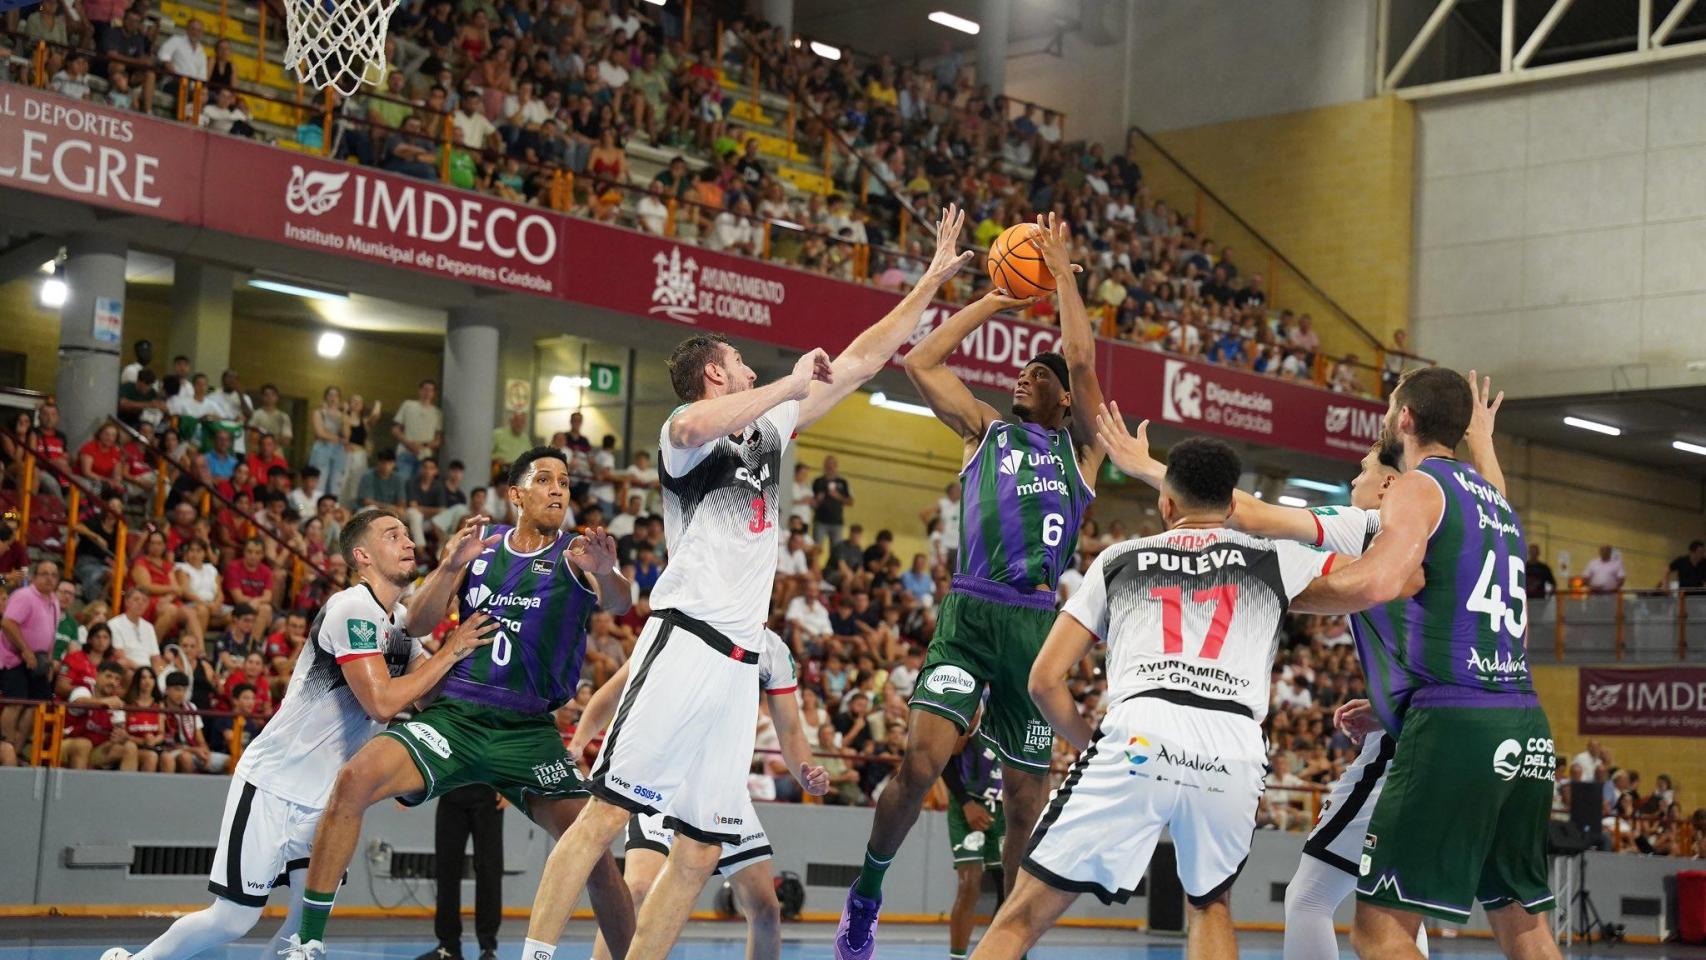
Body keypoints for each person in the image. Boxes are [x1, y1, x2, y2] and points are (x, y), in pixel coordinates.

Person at [522, 205, 976, 960]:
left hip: (738, 672)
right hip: (686, 639)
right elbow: (702, 427)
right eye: (739, 362)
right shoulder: (683, 432)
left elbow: (864, 359)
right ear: (714, 373)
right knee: (604, 816)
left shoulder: (770, 426)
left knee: (698, 856)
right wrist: (788, 385)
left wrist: (929, 280)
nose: (750, 369)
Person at [1094, 371, 1508, 960]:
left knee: (1314, 897)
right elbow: (1497, 518)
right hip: (1487, 720)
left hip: (1417, 739)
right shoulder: (1468, 520)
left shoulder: (1371, 523)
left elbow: (1246, 514)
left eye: (1362, 470)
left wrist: (1148, 468)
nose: (1353, 479)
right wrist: (1483, 443)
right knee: (1420, 914)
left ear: (1393, 483)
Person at [837, 214, 1104, 960]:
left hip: (1036, 630)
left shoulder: (1083, 455)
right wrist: (996, 298)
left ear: (1059, 402)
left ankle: (1007, 940)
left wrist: (1061, 279)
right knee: (919, 761)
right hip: (971, 610)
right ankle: (866, 896)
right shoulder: (985, 428)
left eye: (1040, 376)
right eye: (1027, 371)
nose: (1027, 375)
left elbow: (1081, 359)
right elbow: (921, 361)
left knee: (1025, 800)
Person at [966, 438, 1336, 960]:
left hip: (1141, 727)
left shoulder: (1119, 559)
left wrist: (1090, 741)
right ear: (1233, 506)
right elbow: (1382, 581)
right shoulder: (1275, 558)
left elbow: (1043, 680)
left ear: (1165, 504)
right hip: (1233, 743)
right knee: (1212, 905)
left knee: (1022, 915)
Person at [283, 449, 638, 960]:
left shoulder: (577, 553)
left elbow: (621, 603)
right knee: (352, 782)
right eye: (544, 480)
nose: (558, 489)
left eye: (563, 481)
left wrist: (607, 574)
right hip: (458, 716)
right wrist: (450, 567)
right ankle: (307, 942)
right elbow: (419, 624)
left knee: (596, 855)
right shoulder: (482, 547)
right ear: (517, 494)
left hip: (528, 730)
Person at [102, 508, 500, 960]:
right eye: (394, 535)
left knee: (301, 926)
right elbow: (383, 702)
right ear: (362, 555)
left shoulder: (401, 628)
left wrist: (481, 652)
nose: (408, 543)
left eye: (409, 535)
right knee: (233, 918)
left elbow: (428, 698)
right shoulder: (351, 608)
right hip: (274, 784)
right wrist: (451, 650)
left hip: (329, 801)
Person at [1281, 367, 1560, 960]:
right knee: (1525, 929)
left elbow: (1382, 580)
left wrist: (1282, 592)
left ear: (1403, 418)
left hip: (1454, 722)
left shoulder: (1413, 485)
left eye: (1389, 408)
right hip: (1524, 720)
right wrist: (1482, 443)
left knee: (1380, 930)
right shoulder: (1500, 511)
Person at [580, 627, 829, 960]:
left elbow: (792, 731)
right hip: (666, 781)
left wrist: (806, 772)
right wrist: (577, 742)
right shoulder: (682, 619)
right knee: (637, 889)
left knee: (766, 908)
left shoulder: (772, 650)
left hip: (723, 790)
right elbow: (614, 691)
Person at [421, 785, 505, 960]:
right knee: (446, 870)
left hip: (489, 794)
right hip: (451, 793)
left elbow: (512, 755)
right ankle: (448, 946)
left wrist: (511, 786)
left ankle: (488, 948)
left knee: (489, 871)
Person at [945, 720, 1003, 960]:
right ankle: (956, 957)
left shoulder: (1028, 713)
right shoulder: (978, 711)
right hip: (968, 804)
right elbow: (946, 759)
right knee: (969, 883)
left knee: (1010, 891)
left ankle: (997, 954)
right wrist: (966, 803)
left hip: (1005, 809)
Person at [1, 560, 62, 753]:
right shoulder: (24, 596)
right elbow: (8, 624)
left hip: (40, 661)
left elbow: (51, 632)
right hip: (13, 658)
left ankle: (16, 750)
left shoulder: (54, 600)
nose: (49, 578)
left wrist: (50, 662)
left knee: (37, 705)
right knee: (16, 702)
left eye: (53, 574)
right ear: (34, 577)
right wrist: (25, 651)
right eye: (44, 573)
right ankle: (7, 747)